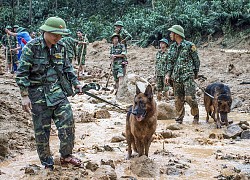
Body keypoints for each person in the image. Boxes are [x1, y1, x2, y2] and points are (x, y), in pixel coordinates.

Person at [15, 16, 83, 170]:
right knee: (42, 131)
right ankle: (47, 163)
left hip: (57, 92)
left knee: (68, 122)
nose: (58, 38)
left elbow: (67, 68)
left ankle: (66, 156)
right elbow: (22, 73)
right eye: (55, 34)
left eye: (60, 35)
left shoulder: (61, 47)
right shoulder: (32, 47)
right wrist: (24, 96)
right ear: (45, 31)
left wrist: (76, 83)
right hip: (37, 95)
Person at [165, 25, 200, 124]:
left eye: (172, 33)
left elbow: (196, 61)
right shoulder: (172, 47)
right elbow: (170, 62)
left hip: (187, 76)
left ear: (177, 34)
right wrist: (168, 75)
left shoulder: (190, 45)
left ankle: (196, 115)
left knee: (190, 97)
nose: (170, 34)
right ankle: (179, 118)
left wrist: (195, 73)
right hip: (176, 77)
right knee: (178, 99)